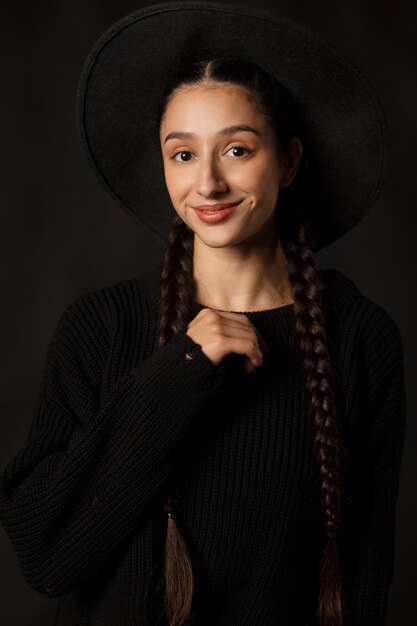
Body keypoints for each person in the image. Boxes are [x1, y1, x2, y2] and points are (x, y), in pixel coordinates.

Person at [0, 2, 406, 626]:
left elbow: (365, 580)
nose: (208, 184)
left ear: (290, 161)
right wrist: (179, 371)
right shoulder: (101, 327)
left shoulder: (359, 338)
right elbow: (46, 556)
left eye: (237, 150)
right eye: (183, 155)